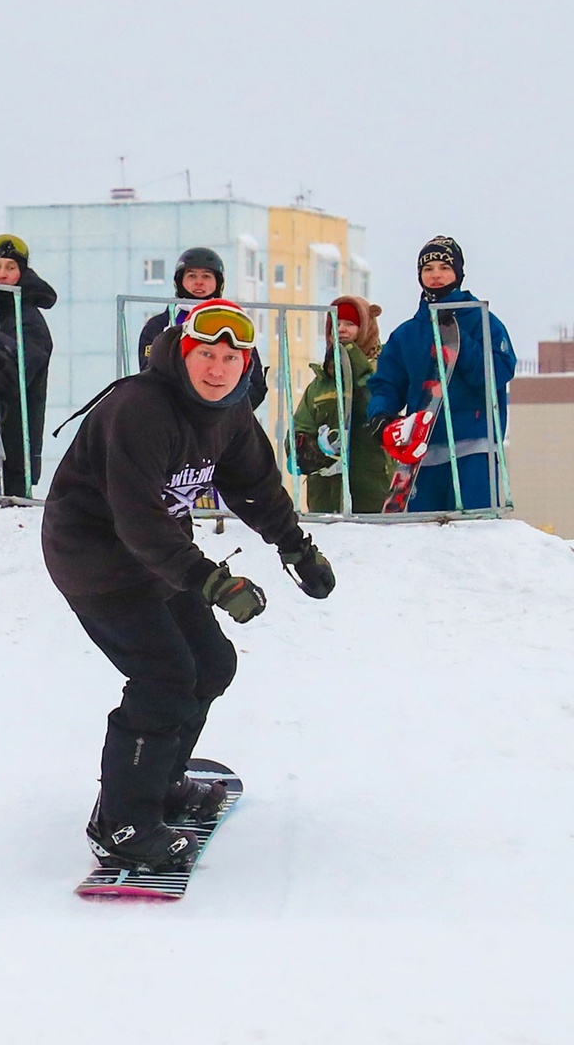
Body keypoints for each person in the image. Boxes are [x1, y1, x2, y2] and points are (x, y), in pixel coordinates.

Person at [42, 297, 335, 873]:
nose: (217, 369)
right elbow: (137, 517)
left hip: (157, 557)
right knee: (165, 677)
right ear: (181, 352)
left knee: (211, 665)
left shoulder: (230, 411)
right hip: (94, 557)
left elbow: (255, 485)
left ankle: (160, 783)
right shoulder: (140, 409)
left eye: (231, 358)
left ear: (245, 364)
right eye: (206, 354)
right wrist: (211, 581)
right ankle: (122, 823)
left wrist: (295, 547)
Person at [366, 236, 516, 512]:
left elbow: (497, 373)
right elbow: (387, 384)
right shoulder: (407, 334)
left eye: (444, 268)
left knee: (472, 529)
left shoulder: (484, 322)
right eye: (428, 269)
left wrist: (458, 342)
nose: (435, 275)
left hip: (473, 447)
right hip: (423, 451)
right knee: (422, 533)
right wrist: (381, 415)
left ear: (458, 273)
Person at [290, 296, 392, 513]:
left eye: (350, 324)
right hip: (325, 496)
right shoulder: (320, 383)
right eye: (335, 325)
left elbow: (378, 405)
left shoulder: (384, 369)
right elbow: (300, 426)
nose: (341, 330)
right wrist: (308, 448)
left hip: (373, 491)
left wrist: (353, 360)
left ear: (367, 328)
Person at [137, 246, 267, 410]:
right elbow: (149, 375)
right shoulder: (159, 325)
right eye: (192, 276)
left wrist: (228, 411)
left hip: (223, 415)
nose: (199, 282)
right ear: (179, 281)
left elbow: (254, 382)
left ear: (218, 282)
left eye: (206, 276)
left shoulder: (234, 324)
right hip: (172, 412)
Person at [0, 233, 56, 498]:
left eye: (10, 267)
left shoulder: (28, 319)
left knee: (11, 511)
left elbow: (16, 376)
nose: (2, 274)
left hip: (14, 443)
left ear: (22, 273)